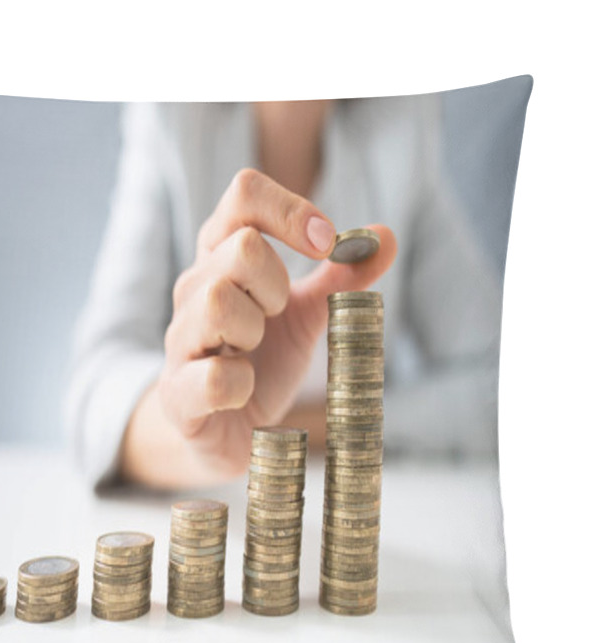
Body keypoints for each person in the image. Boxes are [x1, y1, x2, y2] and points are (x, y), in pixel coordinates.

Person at [65, 98, 503, 490]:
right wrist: (202, 429)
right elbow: (93, 396)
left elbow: (501, 387)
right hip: (216, 500)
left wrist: (301, 427)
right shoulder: (171, 114)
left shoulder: (403, 126)